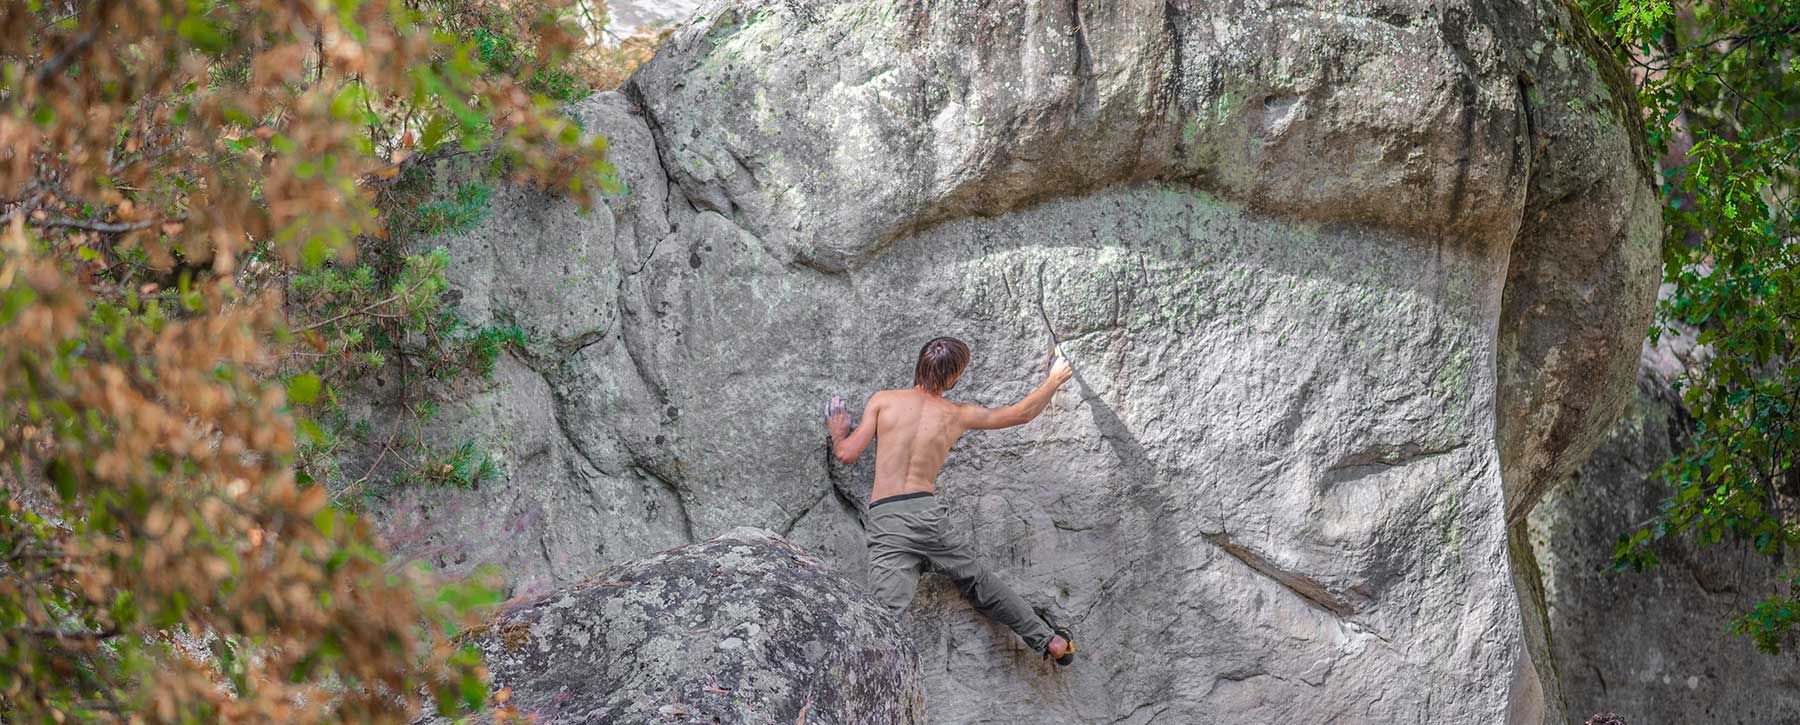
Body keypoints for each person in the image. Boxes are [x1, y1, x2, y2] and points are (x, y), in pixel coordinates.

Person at [825, 336, 1077, 665]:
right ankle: (1050, 642)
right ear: (954, 378)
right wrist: (1054, 379)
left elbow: (845, 455)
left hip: (888, 522)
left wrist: (838, 430)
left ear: (919, 364)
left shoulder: (883, 401)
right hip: (928, 517)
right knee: (979, 580)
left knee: (883, 620)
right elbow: (1020, 414)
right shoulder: (956, 415)